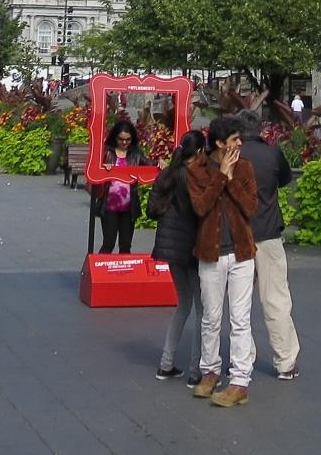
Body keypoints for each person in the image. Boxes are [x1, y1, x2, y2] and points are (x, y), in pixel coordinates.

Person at [187, 115, 258, 408]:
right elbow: (201, 207)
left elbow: (251, 207)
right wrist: (220, 177)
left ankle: (240, 380)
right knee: (211, 317)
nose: (240, 143)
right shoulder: (196, 169)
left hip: (241, 253)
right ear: (219, 143)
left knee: (240, 319)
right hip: (211, 253)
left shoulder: (245, 167)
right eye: (234, 140)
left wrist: (231, 179)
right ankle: (210, 371)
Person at [236, 109, 299, 381]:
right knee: (276, 299)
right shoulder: (272, 154)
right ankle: (285, 362)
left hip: (237, 235)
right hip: (269, 232)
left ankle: (243, 358)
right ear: (260, 128)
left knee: (239, 303)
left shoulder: (232, 155)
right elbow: (284, 181)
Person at [148, 129, 208, 382]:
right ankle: (196, 370)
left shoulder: (168, 173)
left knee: (183, 304)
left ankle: (166, 362)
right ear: (201, 151)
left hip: (169, 247)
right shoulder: (191, 176)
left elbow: (152, 209)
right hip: (190, 247)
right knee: (202, 310)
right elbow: (201, 210)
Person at [91, 118, 144, 253]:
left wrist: (160, 162)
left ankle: (124, 273)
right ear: (115, 137)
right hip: (109, 206)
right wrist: (103, 166)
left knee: (126, 245)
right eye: (121, 139)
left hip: (128, 207)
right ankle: (101, 272)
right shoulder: (107, 152)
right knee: (108, 243)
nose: (124, 143)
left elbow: (150, 165)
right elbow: (94, 170)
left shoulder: (136, 154)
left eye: (128, 139)